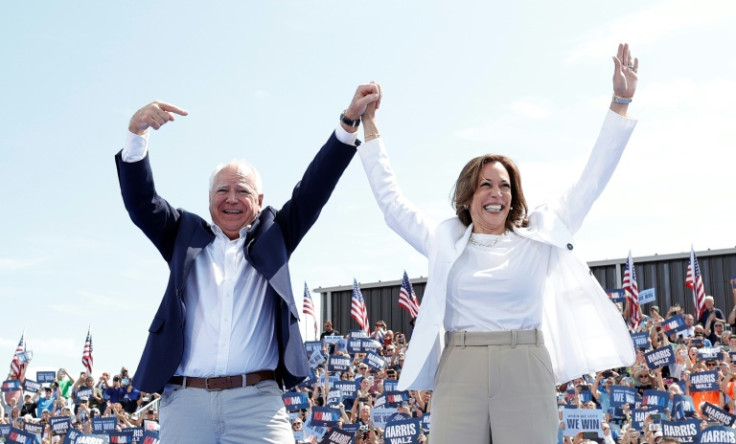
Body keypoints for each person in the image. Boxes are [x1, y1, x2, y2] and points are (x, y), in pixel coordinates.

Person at [354, 43, 638, 442]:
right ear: (468, 197)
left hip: (525, 365)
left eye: (504, 185)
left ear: (514, 195)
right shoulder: (444, 239)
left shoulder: (537, 238)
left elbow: (590, 182)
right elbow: (392, 203)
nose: (496, 193)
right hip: (459, 367)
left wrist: (620, 103)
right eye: (485, 184)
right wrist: (369, 125)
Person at [115, 83, 380, 443]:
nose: (232, 199)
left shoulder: (276, 237)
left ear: (259, 200)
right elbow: (141, 202)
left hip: (257, 404)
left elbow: (314, 189)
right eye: (222, 190)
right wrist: (137, 134)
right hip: (186, 402)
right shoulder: (181, 234)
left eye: (242, 191)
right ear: (209, 199)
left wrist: (349, 122)